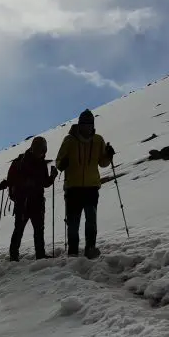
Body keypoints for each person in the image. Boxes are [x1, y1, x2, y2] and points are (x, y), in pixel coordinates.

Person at [54, 109, 115, 259]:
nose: (87, 127)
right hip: (73, 188)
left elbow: (102, 163)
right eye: (84, 124)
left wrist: (108, 155)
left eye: (89, 124)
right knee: (73, 222)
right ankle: (73, 251)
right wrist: (63, 163)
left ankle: (90, 248)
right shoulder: (69, 140)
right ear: (79, 124)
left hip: (91, 187)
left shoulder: (98, 140)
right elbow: (58, 162)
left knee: (91, 219)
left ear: (92, 125)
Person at [6, 137, 58, 261]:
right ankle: (14, 256)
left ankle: (39, 254)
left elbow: (44, 183)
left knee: (37, 229)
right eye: (39, 150)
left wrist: (52, 177)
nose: (41, 153)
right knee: (20, 229)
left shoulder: (40, 163)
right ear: (33, 148)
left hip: (34, 202)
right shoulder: (21, 162)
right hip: (23, 202)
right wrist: (27, 183)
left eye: (43, 151)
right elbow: (12, 181)